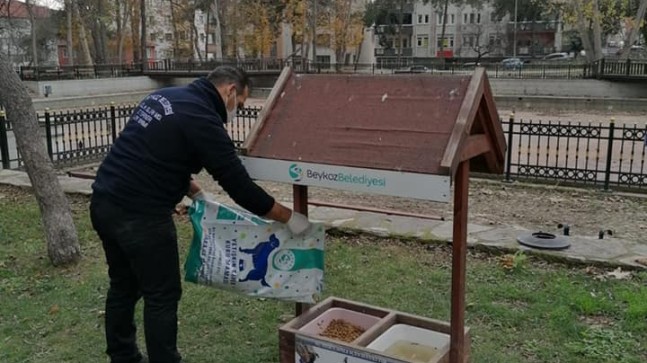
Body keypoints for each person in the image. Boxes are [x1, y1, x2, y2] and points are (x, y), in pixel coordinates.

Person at [89, 65, 311, 363]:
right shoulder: (203, 119)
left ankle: (122, 355)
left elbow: (156, 154)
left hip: (104, 201)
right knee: (162, 295)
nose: (237, 110)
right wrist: (289, 217)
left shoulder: (165, 97)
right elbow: (240, 187)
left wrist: (195, 192)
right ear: (230, 90)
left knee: (123, 285)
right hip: (141, 216)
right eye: (241, 103)